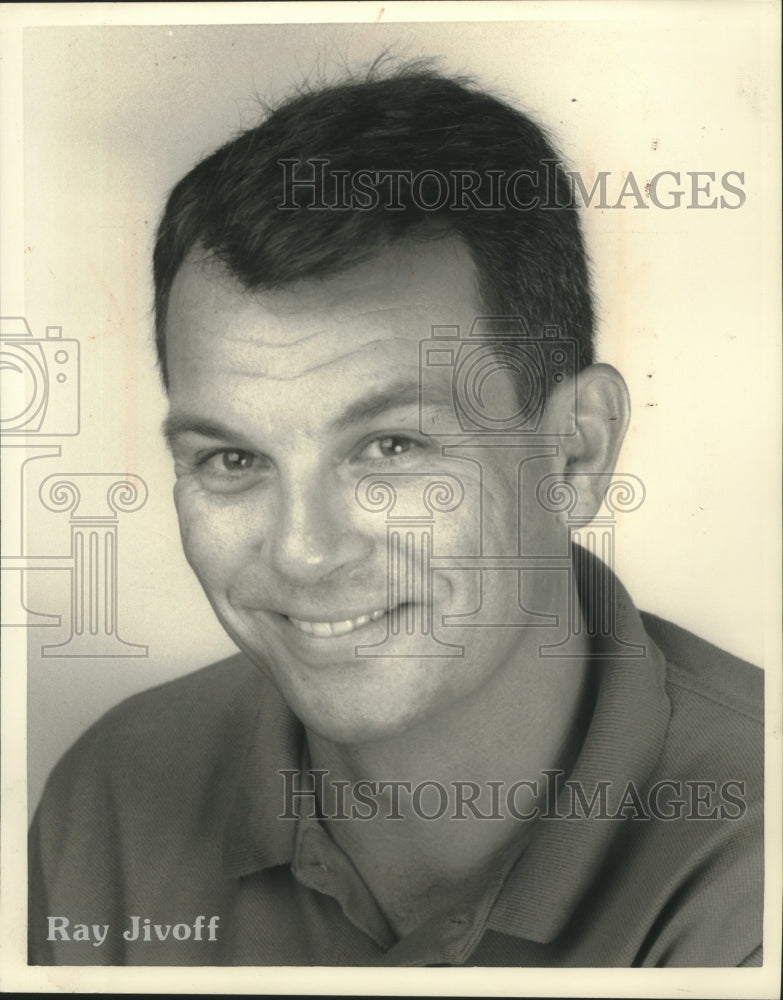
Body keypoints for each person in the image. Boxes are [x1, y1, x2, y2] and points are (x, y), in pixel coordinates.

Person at [28, 65, 763, 967]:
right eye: (233, 460)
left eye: (391, 448)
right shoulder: (111, 795)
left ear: (573, 453)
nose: (302, 555)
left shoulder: (753, 858)